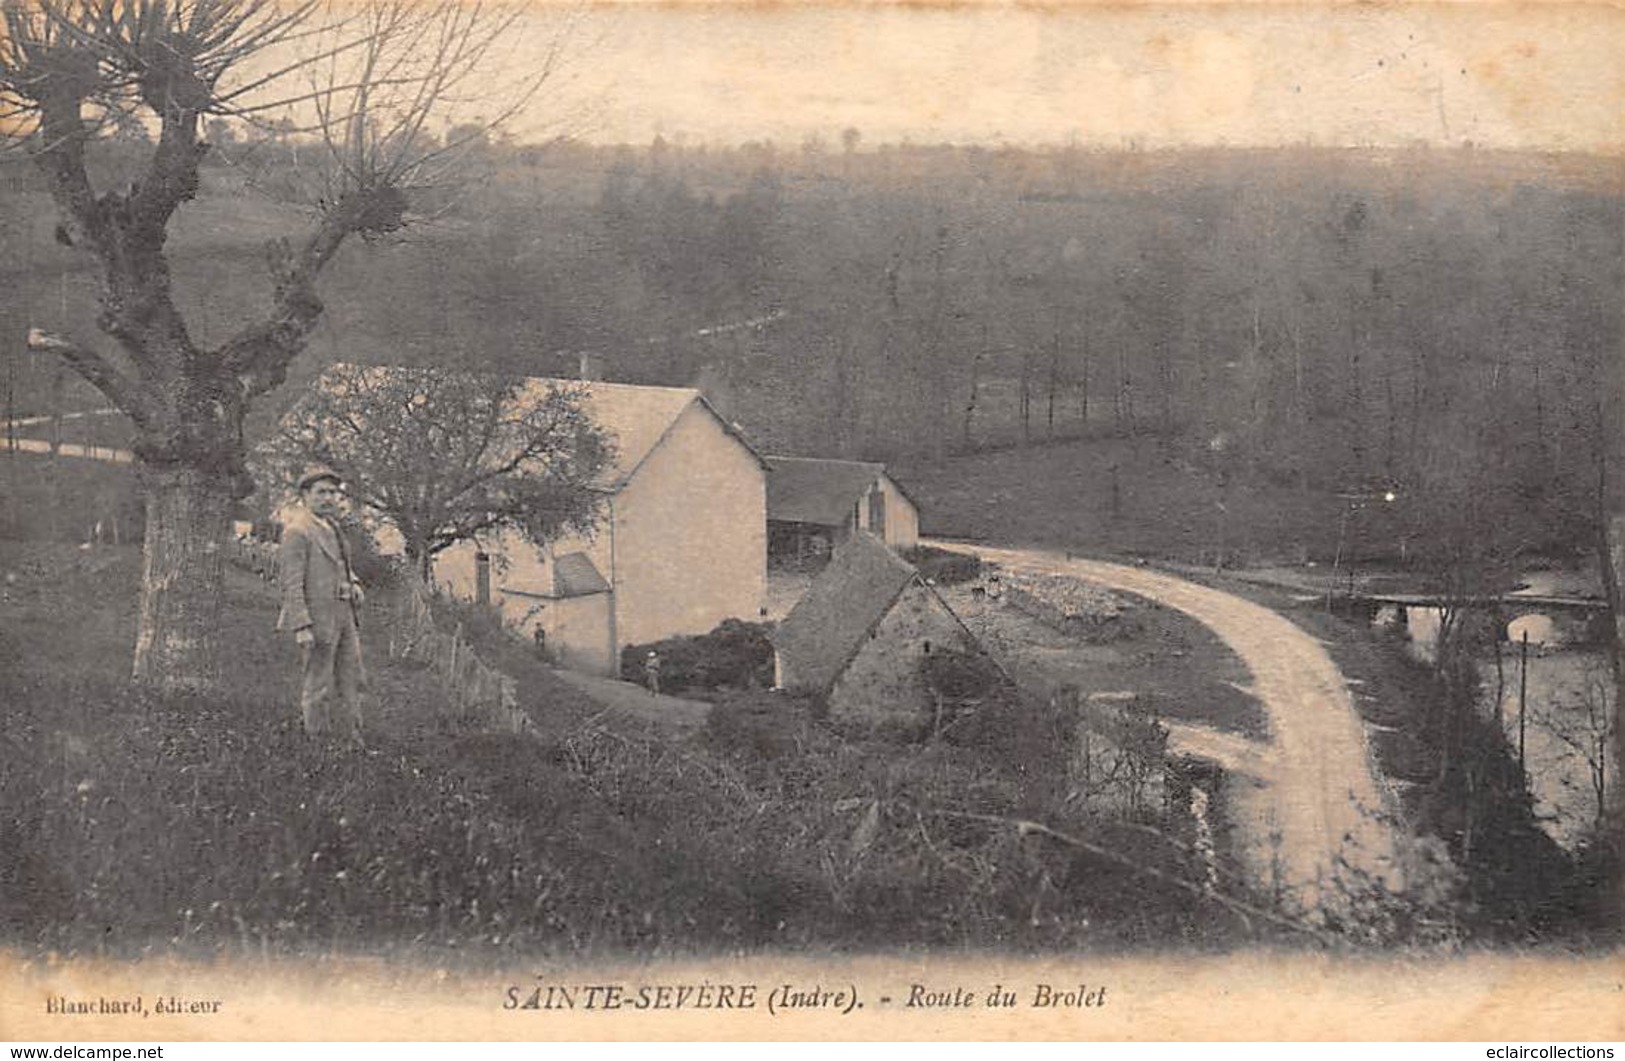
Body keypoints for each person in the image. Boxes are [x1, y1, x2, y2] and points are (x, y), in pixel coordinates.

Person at [277, 466, 367, 745]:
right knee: (319, 681)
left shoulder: (332, 527)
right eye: (321, 493)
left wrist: (353, 583)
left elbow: (340, 563)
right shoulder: (298, 531)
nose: (328, 498)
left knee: (352, 676)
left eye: (332, 493)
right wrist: (301, 625)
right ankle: (316, 742)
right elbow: (291, 584)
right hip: (317, 618)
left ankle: (352, 737)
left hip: (343, 614)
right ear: (305, 496)